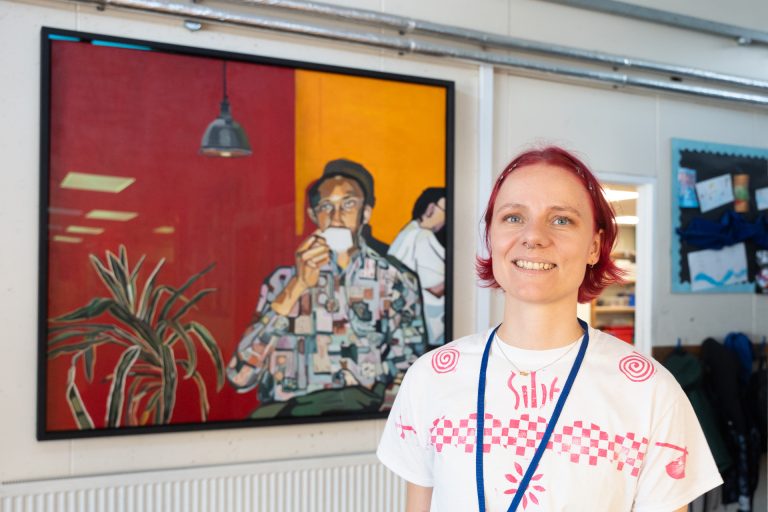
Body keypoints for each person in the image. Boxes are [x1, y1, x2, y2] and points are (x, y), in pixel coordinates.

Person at [377, 147, 722, 511]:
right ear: (491, 238)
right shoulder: (431, 376)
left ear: (594, 246)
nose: (533, 236)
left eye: (561, 220)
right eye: (513, 217)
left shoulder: (650, 390)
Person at [227, 159, 427, 418]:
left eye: (348, 204)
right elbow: (239, 376)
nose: (336, 217)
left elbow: (412, 371)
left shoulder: (395, 281)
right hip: (283, 420)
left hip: (362, 417)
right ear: (314, 216)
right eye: (326, 207)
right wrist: (297, 286)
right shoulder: (282, 281)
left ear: (365, 213)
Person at [389, 187, 446, 346]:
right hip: (426, 322)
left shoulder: (410, 231)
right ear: (430, 209)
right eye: (445, 210)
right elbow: (435, 287)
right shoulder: (422, 237)